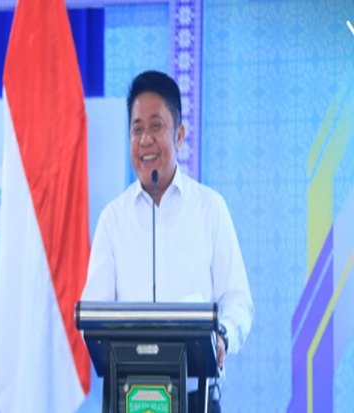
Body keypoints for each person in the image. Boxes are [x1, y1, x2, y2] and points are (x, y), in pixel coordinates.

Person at [82, 70, 254, 412]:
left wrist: (222, 336)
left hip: (195, 397)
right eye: (136, 130)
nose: (145, 140)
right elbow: (95, 311)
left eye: (156, 126)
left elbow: (238, 300)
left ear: (179, 134)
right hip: (129, 397)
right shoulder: (113, 219)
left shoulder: (210, 208)